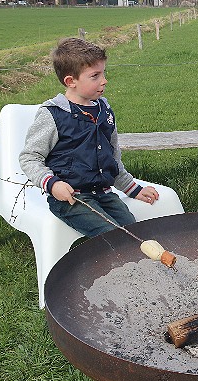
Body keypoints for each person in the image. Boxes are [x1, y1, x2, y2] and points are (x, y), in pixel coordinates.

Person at [19, 37, 160, 237]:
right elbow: (29, 157)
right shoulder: (54, 114)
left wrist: (133, 189)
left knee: (133, 232)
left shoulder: (104, 110)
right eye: (95, 75)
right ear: (71, 81)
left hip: (105, 194)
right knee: (111, 236)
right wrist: (52, 184)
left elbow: (113, 159)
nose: (104, 80)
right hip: (72, 199)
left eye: (103, 73)